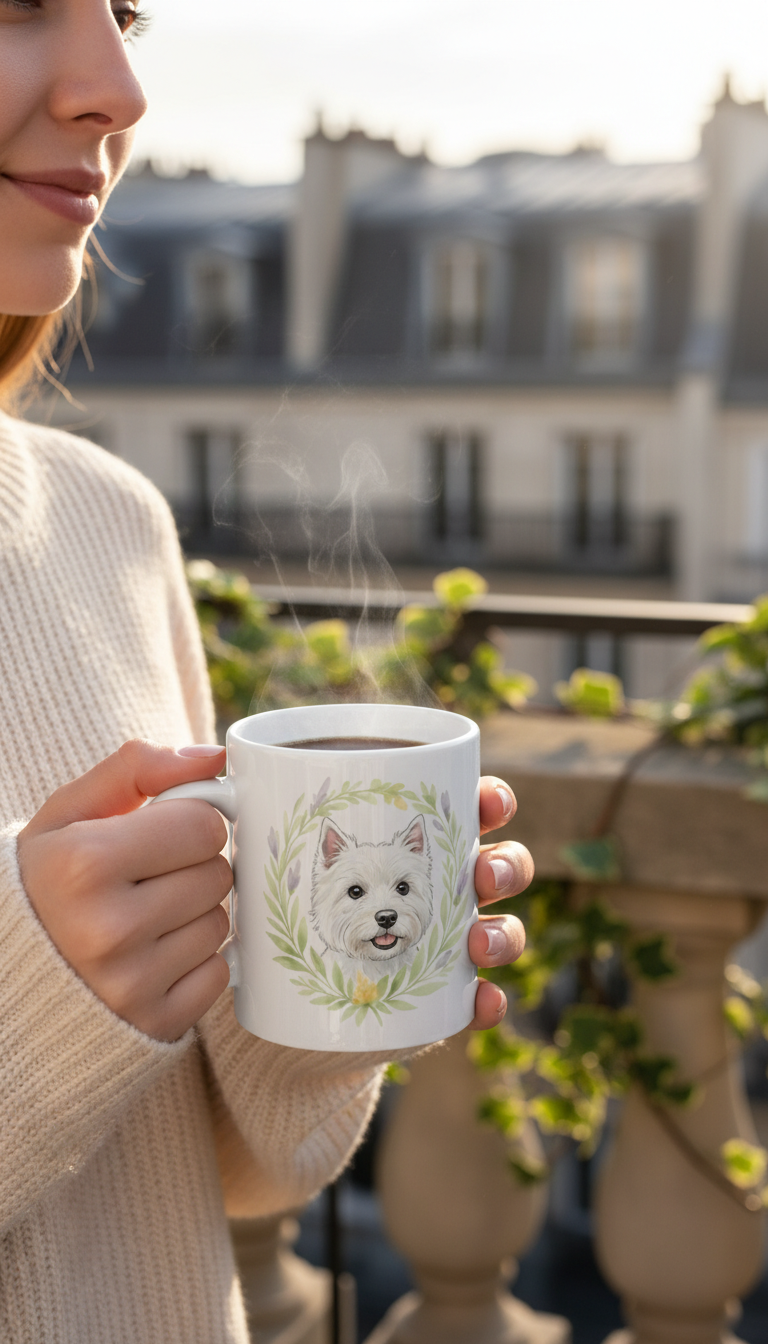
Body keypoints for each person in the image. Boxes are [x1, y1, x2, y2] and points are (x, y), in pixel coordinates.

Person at [0, 2, 534, 1340]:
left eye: (122, 15)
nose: (117, 89)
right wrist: (36, 985)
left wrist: (321, 991)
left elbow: (219, 1170)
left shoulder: (108, 524)